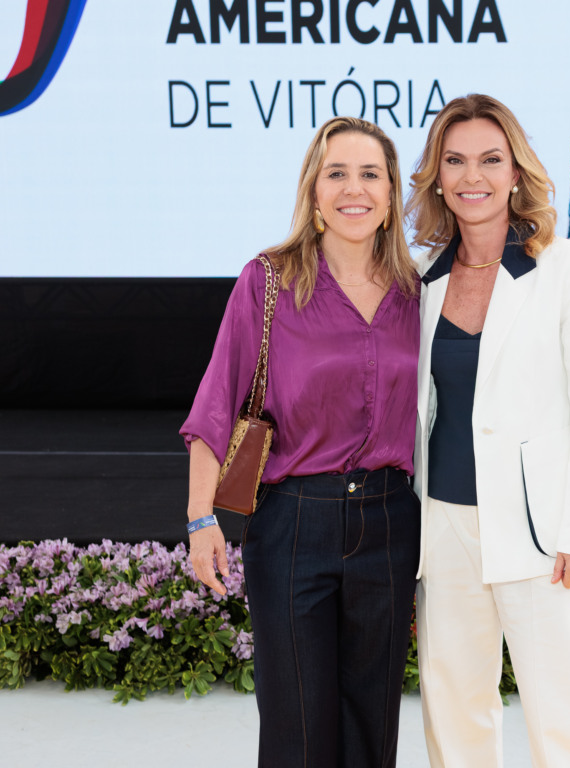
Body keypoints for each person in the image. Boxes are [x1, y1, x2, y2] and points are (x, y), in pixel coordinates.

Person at [180, 116, 421, 768]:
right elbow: (213, 409)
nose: (354, 188)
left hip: (392, 522)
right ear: (313, 192)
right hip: (293, 528)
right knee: (299, 732)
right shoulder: (267, 282)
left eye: (370, 173)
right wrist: (202, 518)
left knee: (372, 729)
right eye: (336, 172)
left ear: (393, 192)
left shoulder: (418, 293)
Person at [407, 94, 570, 767]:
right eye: (457, 160)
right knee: (455, 712)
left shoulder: (569, 267)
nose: (475, 176)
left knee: (568, 715)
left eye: (491, 159)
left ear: (517, 172)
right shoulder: (422, 282)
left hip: (542, 534)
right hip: (444, 530)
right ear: (438, 177)